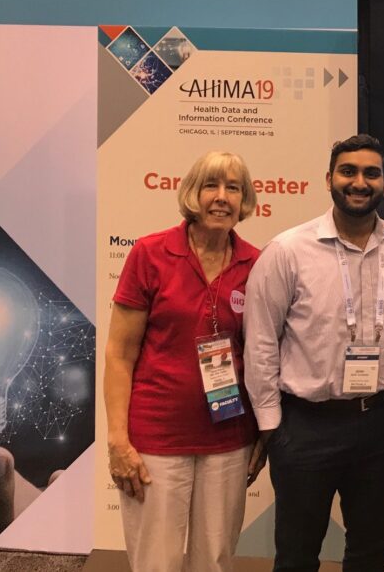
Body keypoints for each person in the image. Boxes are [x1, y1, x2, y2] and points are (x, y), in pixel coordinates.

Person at [243, 134, 384, 571]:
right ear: (329, 179)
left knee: (370, 550)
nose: (359, 182)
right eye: (348, 171)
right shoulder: (287, 251)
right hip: (306, 426)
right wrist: (271, 426)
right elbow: (261, 340)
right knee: (297, 553)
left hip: (379, 422)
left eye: (370, 173)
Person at [104, 150, 263, 572]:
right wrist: (118, 440)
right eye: (211, 185)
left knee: (215, 560)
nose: (221, 197)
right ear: (193, 193)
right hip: (156, 438)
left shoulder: (257, 263)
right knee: (157, 561)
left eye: (233, 188)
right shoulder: (150, 253)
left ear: (245, 200)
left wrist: (263, 434)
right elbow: (120, 354)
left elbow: (265, 357)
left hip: (229, 438)